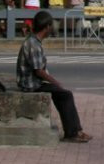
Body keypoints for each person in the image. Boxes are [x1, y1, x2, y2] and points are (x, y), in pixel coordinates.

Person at [17, 10, 91, 143]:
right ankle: (73, 132)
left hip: (34, 82)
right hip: (31, 85)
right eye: (51, 26)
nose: (52, 28)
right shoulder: (33, 44)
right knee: (65, 95)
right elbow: (38, 71)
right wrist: (55, 82)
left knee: (61, 94)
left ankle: (74, 131)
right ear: (46, 27)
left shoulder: (34, 42)